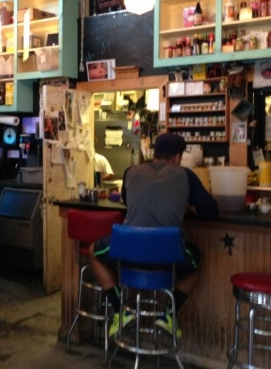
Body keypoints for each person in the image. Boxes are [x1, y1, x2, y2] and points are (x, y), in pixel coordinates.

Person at [89, 133, 219, 338]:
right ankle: (168, 315)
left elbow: (129, 202)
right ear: (177, 157)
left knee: (93, 252)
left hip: (128, 255)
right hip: (168, 258)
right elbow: (211, 211)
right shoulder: (185, 175)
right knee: (196, 259)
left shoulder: (131, 172)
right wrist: (188, 205)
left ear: (154, 153)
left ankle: (120, 310)